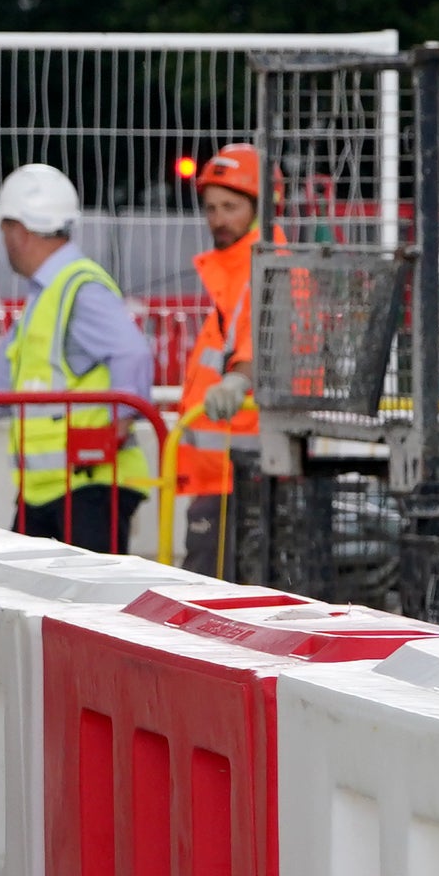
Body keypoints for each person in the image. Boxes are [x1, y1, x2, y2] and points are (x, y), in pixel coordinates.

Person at [0, 161, 161, 553]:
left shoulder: (78, 288)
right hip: (52, 488)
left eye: (5, 228)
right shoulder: (49, 294)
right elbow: (8, 381)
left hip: (89, 485)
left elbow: (132, 353)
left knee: (83, 608)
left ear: (20, 231)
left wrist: (115, 425)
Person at [175, 143, 263, 577]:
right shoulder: (235, 273)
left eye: (230, 206)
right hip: (222, 471)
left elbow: (260, 349)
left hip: (242, 473)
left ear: (261, 206)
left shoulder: (265, 270)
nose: (218, 219)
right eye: (211, 207)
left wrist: (238, 381)